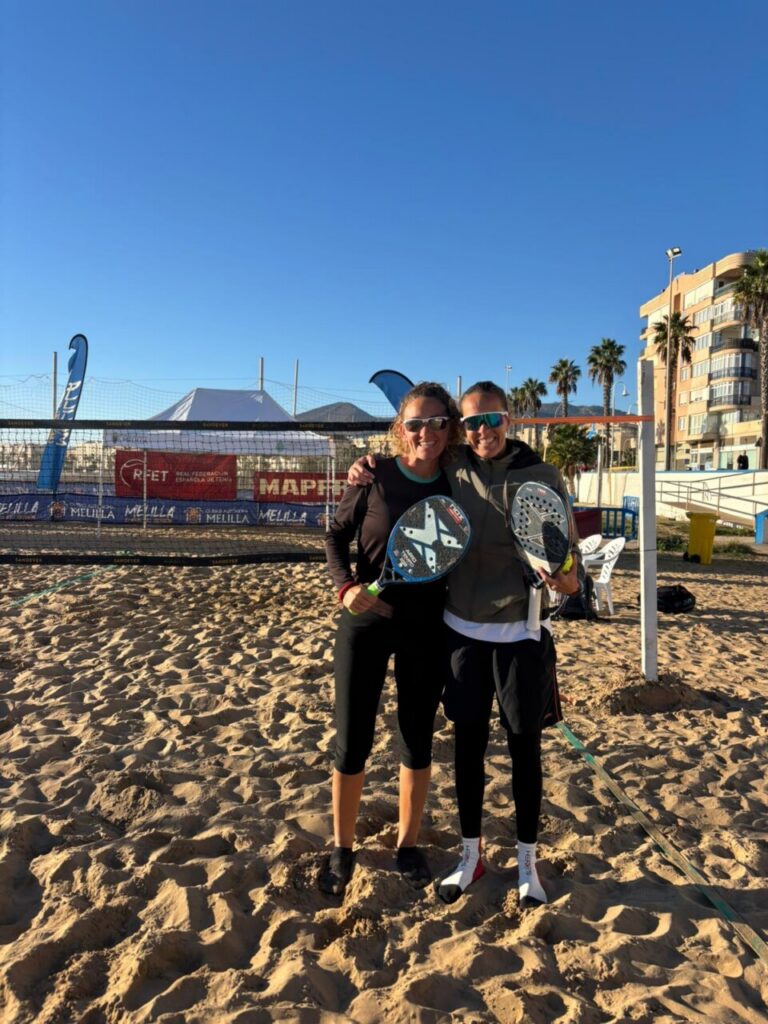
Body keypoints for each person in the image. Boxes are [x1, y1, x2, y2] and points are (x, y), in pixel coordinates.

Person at [348, 380, 579, 908]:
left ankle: (527, 865)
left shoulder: (542, 476)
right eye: (471, 423)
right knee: (468, 750)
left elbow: (567, 567)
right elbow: (413, 457)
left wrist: (566, 576)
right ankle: (470, 858)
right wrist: (369, 464)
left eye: (491, 420)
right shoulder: (454, 466)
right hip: (461, 633)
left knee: (525, 751)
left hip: (522, 633)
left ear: (509, 420)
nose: (481, 431)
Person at [320, 381, 463, 896]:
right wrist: (345, 588)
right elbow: (335, 536)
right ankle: (342, 847)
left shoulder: (459, 480)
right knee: (352, 737)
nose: (426, 431)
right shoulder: (373, 474)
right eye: (415, 423)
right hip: (366, 617)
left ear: (450, 428)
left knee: (416, 738)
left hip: (427, 625)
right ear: (400, 429)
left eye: (436, 422)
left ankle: (407, 845)